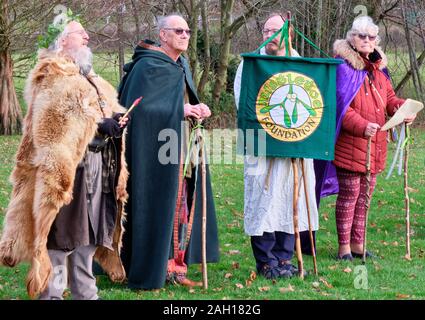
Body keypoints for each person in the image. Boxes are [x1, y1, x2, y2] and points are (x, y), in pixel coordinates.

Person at [0, 20, 129, 299]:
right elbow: (53, 128)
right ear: (61, 42)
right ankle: (52, 295)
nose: (87, 35)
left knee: (87, 240)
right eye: (78, 32)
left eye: (85, 31)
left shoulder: (92, 79)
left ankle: (86, 294)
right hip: (64, 175)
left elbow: (100, 112)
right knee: (59, 242)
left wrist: (115, 121)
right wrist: (98, 125)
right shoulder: (51, 77)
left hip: (97, 173)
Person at [118, 14, 219, 290]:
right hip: (152, 154)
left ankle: (175, 266)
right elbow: (139, 109)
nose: (185, 35)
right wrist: (182, 110)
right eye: (179, 30)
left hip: (182, 148)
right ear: (163, 35)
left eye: (188, 30)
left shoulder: (180, 65)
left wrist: (198, 108)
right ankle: (153, 267)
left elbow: (182, 100)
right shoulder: (147, 67)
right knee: (159, 207)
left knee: (181, 208)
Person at [318, 16, 415, 260]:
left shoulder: (379, 69)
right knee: (349, 196)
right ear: (352, 38)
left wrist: (403, 109)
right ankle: (343, 249)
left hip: (376, 145)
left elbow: (389, 99)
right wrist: (362, 126)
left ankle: (358, 245)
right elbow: (341, 106)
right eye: (362, 36)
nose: (367, 41)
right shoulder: (343, 67)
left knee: (365, 198)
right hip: (351, 143)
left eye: (371, 37)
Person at [234, 14, 319, 279]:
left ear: (288, 34)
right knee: (263, 200)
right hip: (262, 144)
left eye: (276, 30)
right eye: (266, 30)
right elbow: (244, 103)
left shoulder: (302, 65)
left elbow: (313, 102)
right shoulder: (251, 64)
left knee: (290, 200)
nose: (270, 35)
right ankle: (266, 261)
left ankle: (284, 259)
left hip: (296, 146)